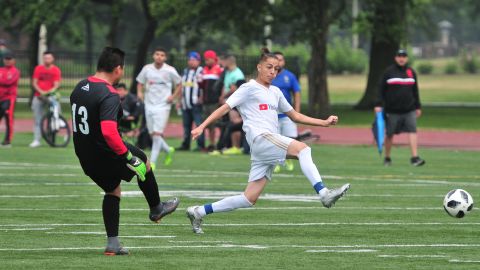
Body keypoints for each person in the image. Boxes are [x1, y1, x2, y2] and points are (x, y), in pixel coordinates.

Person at [186, 48, 350, 234]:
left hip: (264, 147)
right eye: (269, 67)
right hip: (261, 138)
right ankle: (323, 194)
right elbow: (224, 108)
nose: (273, 71)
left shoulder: (276, 92)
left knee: (249, 198)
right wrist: (202, 126)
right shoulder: (249, 88)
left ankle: (199, 211)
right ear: (259, 67)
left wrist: (324, 122)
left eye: (276, 69)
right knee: (303, 149)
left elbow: (294, 115)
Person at [70, 47, 179, 255]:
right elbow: (109, 133)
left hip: (84, 154)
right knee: (143, 161)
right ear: (118, 69)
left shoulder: (80, 86)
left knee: (113, 190)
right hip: (105, 150)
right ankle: (156, 208)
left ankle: (113, 244)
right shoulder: (109, 94)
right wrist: (129, 157)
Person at [374, 49, 425, 167]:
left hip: (409, 109)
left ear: (407, 58)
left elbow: (415, 90)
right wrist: (378, 104)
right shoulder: (388, 72)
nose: (401, 58)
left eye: (404, 56)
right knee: (390, 134)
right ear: (395, 58)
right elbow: (381, 89)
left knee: (413, 131)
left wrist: (418, 106)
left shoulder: (411, 72)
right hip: (392, 110)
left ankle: (415, 158)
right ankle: (387, 158)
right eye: (399, 56)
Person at [136, 47, 182, 169]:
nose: (159, 57)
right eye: (157, 54)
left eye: (162, 55)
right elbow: (140, 82)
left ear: (165, 58)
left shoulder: (170, 70)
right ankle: (168, 150)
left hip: (163, 106)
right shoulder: (147, 69)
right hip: (149, 104)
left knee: (157, 134)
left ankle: (152, 162)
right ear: (153, 56)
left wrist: (173, 96)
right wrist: (140, 93)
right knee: (153, 134)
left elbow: (179, 84)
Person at [271, 51, 301, 172]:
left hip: (288, 114)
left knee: (291, 139)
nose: (279, 62)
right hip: (272, 115)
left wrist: (297, 112)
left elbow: (297, 93)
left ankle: (287, 159)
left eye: (281, 59)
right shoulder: (269, 76)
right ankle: (277, 162)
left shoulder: (290, 76)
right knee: (275, 141)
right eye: (276, 59)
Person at [30, 51, 62, 148]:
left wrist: (48, 92)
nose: (47, 60)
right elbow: (34, 82)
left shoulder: (56, 70)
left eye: (49, 58)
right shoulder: (38, 68)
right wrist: (41, 91)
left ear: (53, 59)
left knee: (55, 115)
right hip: (38, 96)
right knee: (37, 118)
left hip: (50, 96)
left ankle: (52, 137)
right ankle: (36, 140)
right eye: (45, 58)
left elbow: (57, 84)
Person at [177, 51, 205, 151]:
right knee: (186, 126)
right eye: (190, 60)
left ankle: (200, 145)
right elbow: (182, 87)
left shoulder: (201, 71)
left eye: (193, 60)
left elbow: (204, 86)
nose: (191, 62)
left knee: (199, 124)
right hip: (185, 104)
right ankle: (185, 145)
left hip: (196, 103)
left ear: (198, 61)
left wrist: (201, 97)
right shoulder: (185, 72)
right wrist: (179, 101)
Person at [219, 54, 245, 155]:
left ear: (228, 62)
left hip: (234, 102)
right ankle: (232, 146)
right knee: (231, 122)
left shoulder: (237, 74)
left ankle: (236, 147)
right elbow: (226, 86)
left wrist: (224, 97)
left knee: (235, 123)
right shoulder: (228, 72)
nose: (221, 63)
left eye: (223, 61)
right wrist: (223, 97)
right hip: (228, 101)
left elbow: (234, 89)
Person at [200, 50, 223, 151]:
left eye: (208, 59)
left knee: (214, 123)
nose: (206, 61)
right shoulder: (204, 69)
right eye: (205, 59)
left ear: (214, 59)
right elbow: (202, 86)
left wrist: (221, 97)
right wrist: (201, 96)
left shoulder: (219, 69)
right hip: (206, 101)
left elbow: (222, 85)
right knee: (208, 124)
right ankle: (211, 144)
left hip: (215, 101)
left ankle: (215, 144)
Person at [0, 52, 20, 147]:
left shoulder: (15, 71)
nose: (7, 61)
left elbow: (9, 82)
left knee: (8, 118)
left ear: (13, 61)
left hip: (9, 98)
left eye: (9, 59)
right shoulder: (1, 70)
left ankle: (7, 140)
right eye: (6, 59)